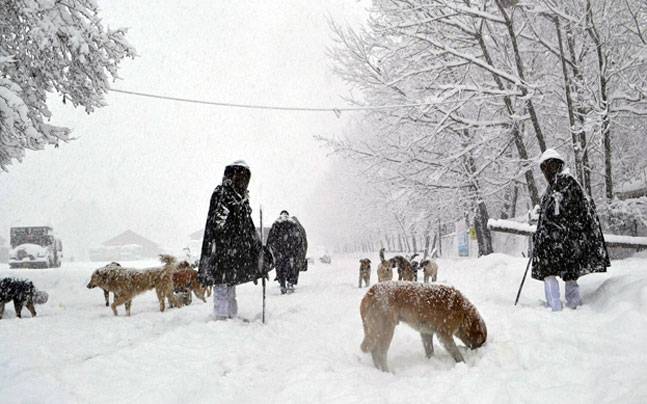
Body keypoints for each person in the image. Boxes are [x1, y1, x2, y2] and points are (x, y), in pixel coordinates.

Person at [531, 149, 610, 311]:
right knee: (551, 273)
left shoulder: (569, 183)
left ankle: (570, 305)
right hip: (552, 241)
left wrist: (564, 229)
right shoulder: (552, 188)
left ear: (557, 166)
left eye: (550, 167)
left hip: (565, 239)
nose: (547, 172)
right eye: (545, 168)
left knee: (568, 274)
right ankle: (555, 306)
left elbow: (578, 210)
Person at [197, 160, 268, 320]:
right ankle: (221, 317)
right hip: (222, 249)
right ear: (232, 175)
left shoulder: (241, 198)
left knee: (230, 283)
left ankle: (231, 315)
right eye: (240, 177)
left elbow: (247, 226)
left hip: (235, 249)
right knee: (222, 284)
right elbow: (217, 224)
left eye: (245, 178)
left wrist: (256, 247)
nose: (243, 181)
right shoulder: (222, 194)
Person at [266, 210, 308, 294]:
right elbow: (299, 238)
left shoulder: (276, 223)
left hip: (280, 251)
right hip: (291, 251)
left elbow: (270, 238)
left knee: (280, 267)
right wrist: (297, 249)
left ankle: (282, 284)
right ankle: (290, 283)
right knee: (292, 267)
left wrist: (271, 249)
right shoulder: (293, 223)